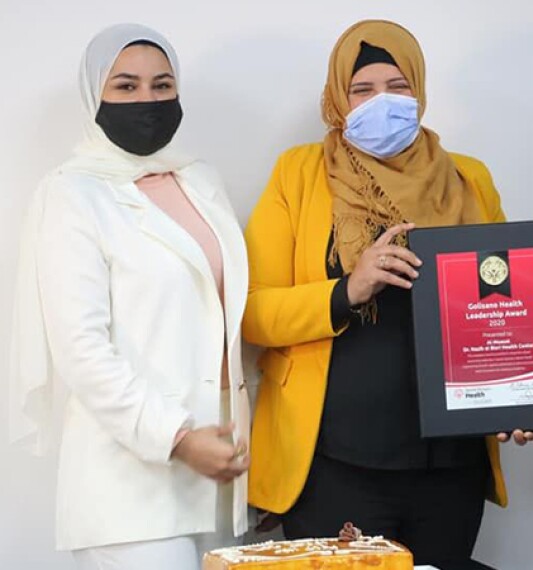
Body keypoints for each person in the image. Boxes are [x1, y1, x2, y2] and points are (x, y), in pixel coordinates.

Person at [243, 19, 506, 568]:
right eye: (362, 89)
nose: (381, 101)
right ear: (338, 96)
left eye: (398, 86)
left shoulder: (468, 179)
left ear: (420, 90)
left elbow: (500, 309)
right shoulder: (300, 173)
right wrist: (347, 289)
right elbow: (253, 313)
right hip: (337, 464)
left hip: (450, 464)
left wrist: (519, 395)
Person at [9, 24, 250, 570]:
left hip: (221, 475)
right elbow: (82, 352)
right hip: (127, 485)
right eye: (126, 86)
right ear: (94, 94)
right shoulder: (72, 194)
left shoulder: (199, 180)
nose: (148, 99)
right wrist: (181, 437)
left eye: (162, 85)